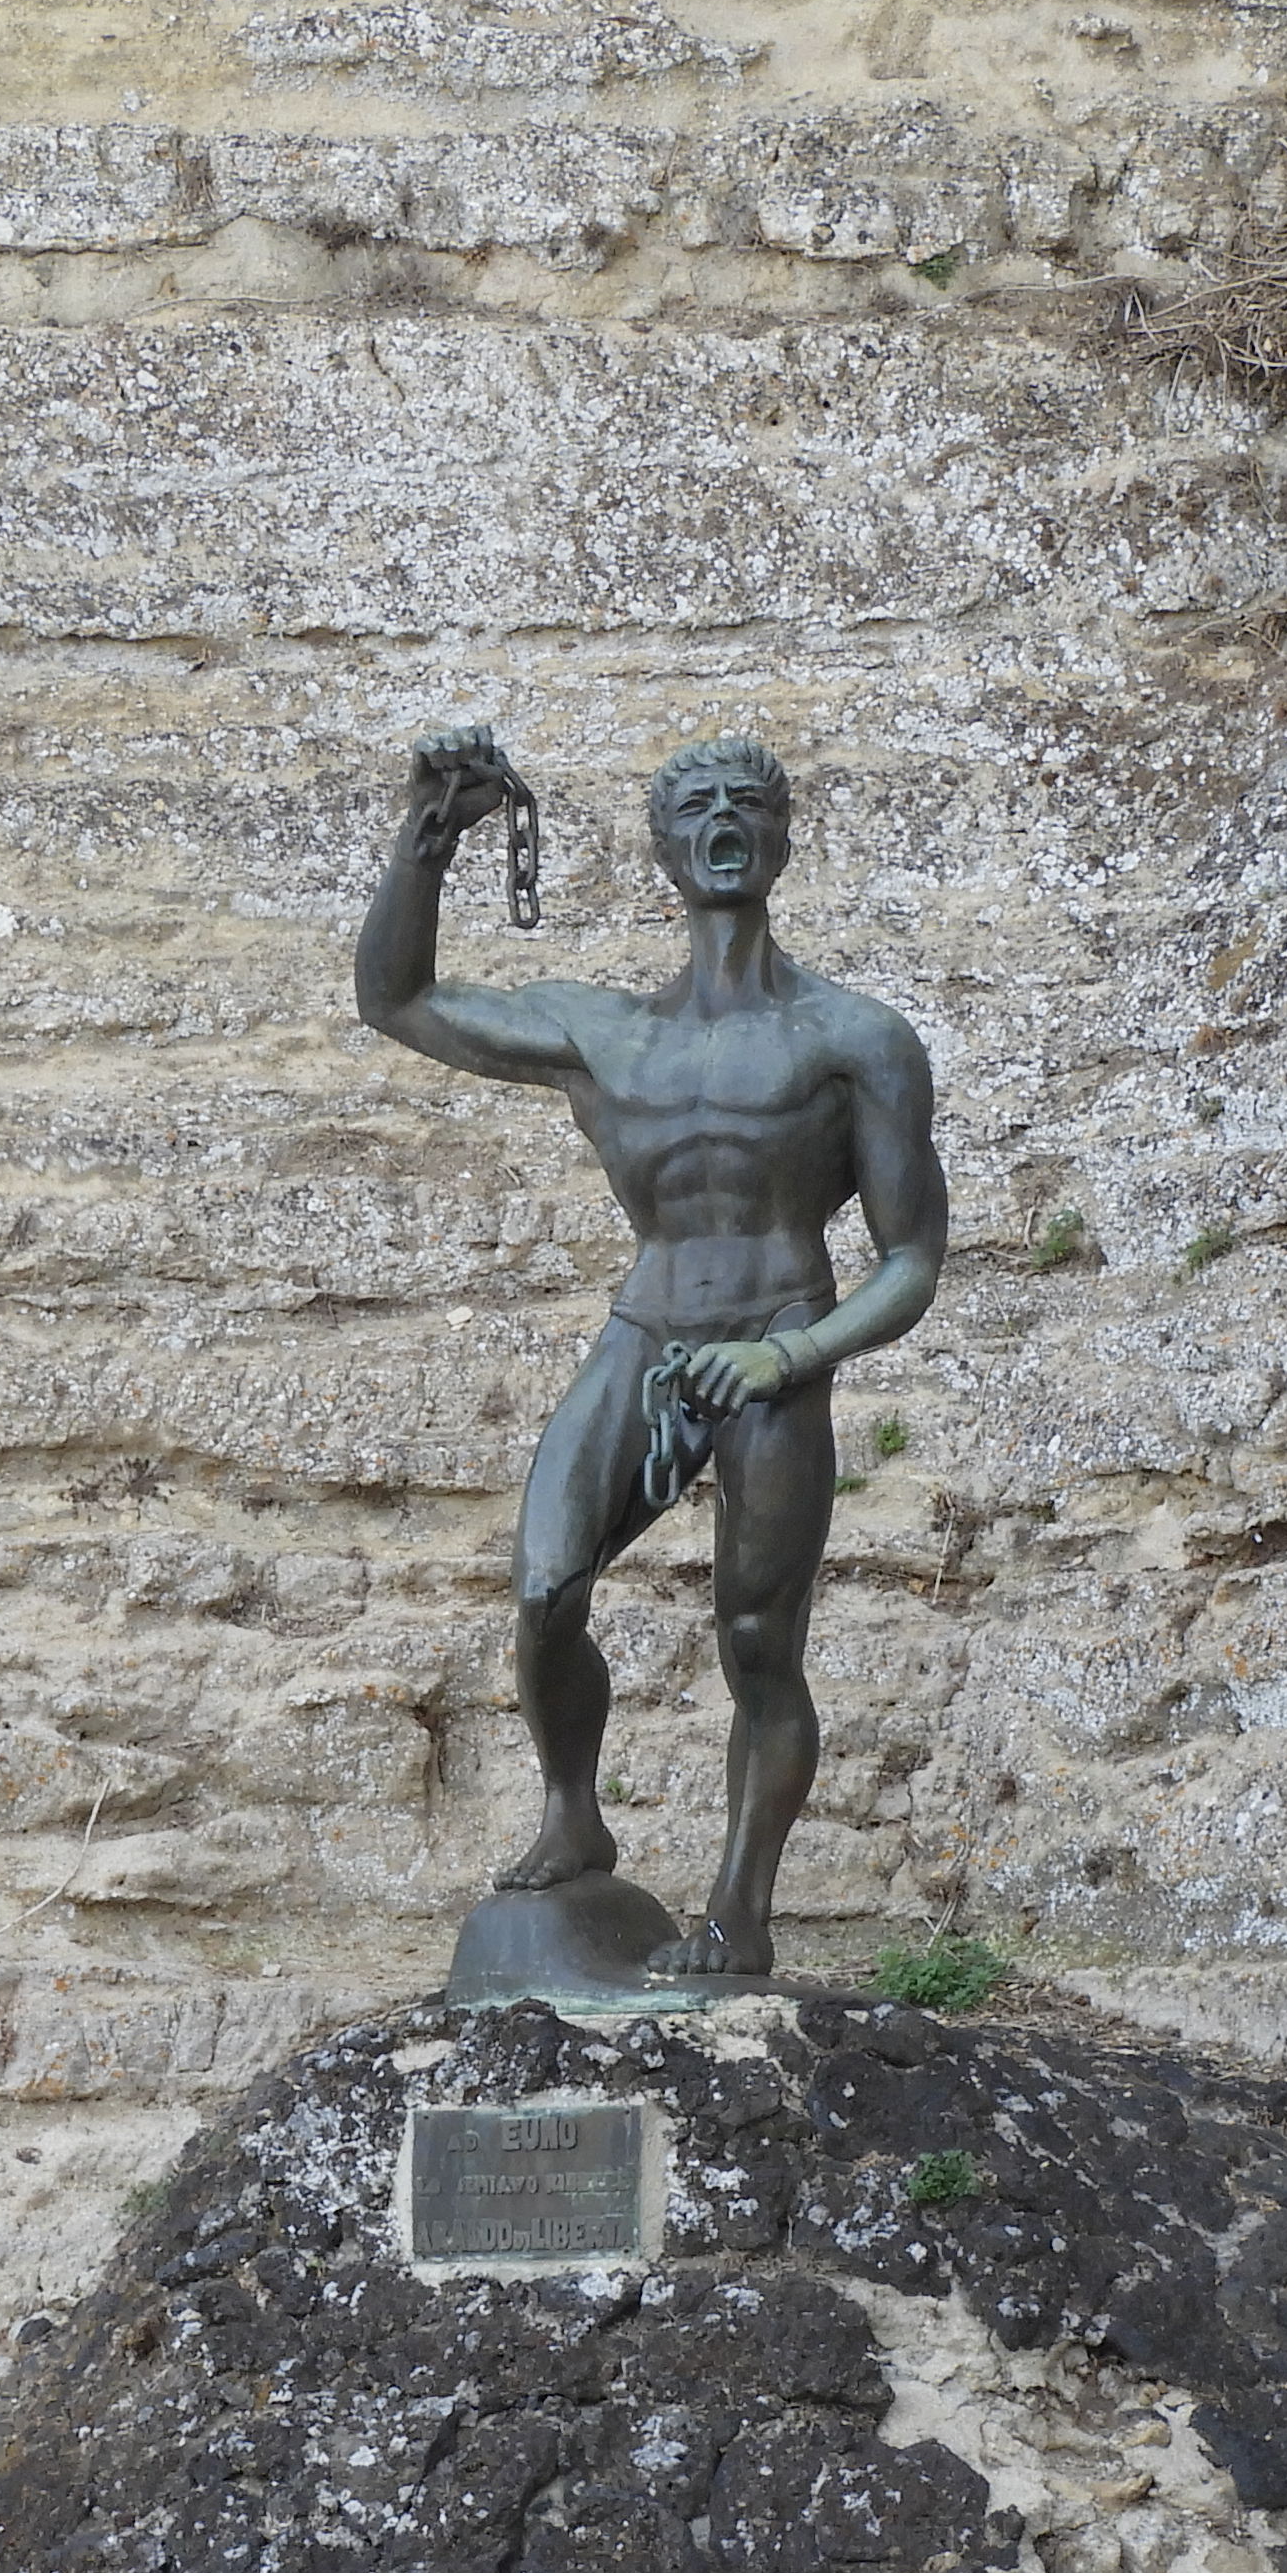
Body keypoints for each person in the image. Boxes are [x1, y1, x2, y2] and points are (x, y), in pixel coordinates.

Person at [351, 729, 949, 1982]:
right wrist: (432, 832)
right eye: (700, 810)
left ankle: (738, 1914)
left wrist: (792, 1359)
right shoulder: (599, 1033)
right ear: (666, 851)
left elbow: (910, 1260)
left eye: (749, 806)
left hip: (775, 1342)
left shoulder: (857, 1039)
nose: (726, 823)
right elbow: (395, 1001)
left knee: (755, 1643)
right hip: (647, 1331)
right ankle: (575, 1808)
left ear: (780, 841)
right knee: (544, 1585)